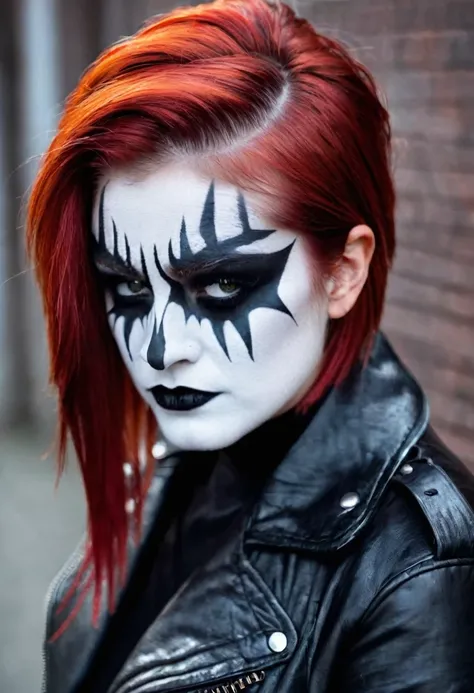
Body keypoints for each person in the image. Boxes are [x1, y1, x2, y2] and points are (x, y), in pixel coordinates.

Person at [27, 0, 474, 691]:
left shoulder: (422, 571)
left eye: (224, 285)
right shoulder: (185, 463)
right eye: (124, 287)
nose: (160, 346)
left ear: (344, 272)